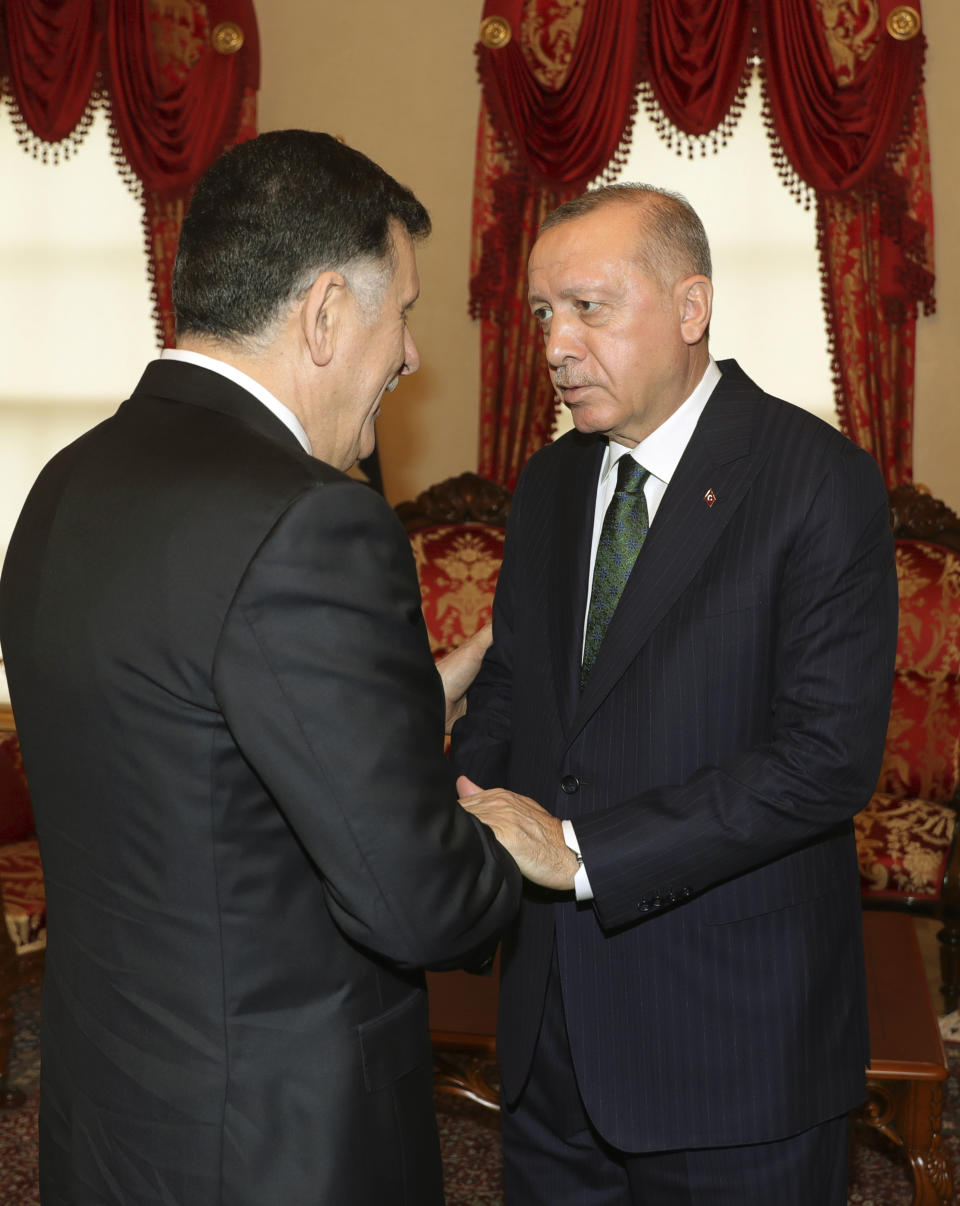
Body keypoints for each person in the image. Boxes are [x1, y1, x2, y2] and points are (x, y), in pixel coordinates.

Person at [0, 130, 521, 1206]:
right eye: (405, 313)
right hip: (276, 1144)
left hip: (111, 1112)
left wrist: (399, 703)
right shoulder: (311, 521)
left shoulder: (65, 484)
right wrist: (513, 845)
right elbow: (412, 904)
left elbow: (182, 736)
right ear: (327, 313)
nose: (413, 356)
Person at [451, 183, 899, 1205]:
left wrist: (581, 855)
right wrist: (457, 825)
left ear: (691, 308)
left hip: (733, 1045)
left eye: (588, 307)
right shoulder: (550, 484)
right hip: (553, 1035)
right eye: (540, 315)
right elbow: (515, 694)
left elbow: (825, 762)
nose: (556, 344)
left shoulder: (817, 482)